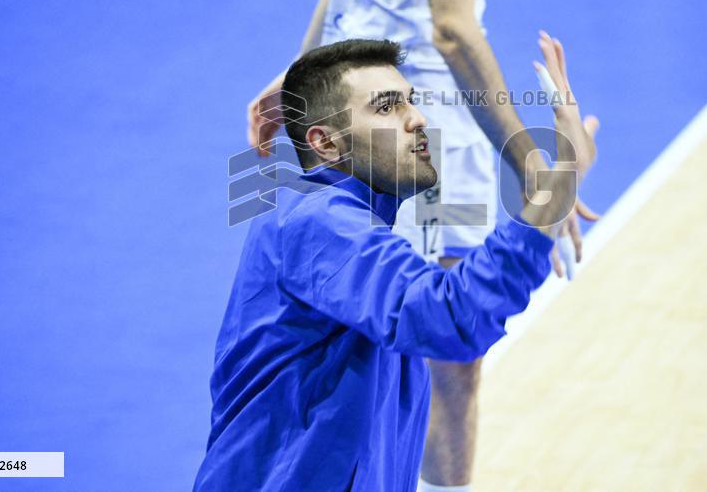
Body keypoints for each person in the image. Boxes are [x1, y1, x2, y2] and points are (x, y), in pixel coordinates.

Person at [246, 0, 598, 488]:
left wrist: (305, 69)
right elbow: (452, 28)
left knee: (436, 355)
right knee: (425, 341)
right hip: (411, 118)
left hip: (399, 101)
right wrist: (533, 168)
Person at [201, 37, 596, 490]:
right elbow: (450, 317)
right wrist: (557, 188)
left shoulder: (353, 226)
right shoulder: (318, 225)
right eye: (387, 107)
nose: (418, 119)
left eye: (411, 100)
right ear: (325, 142)